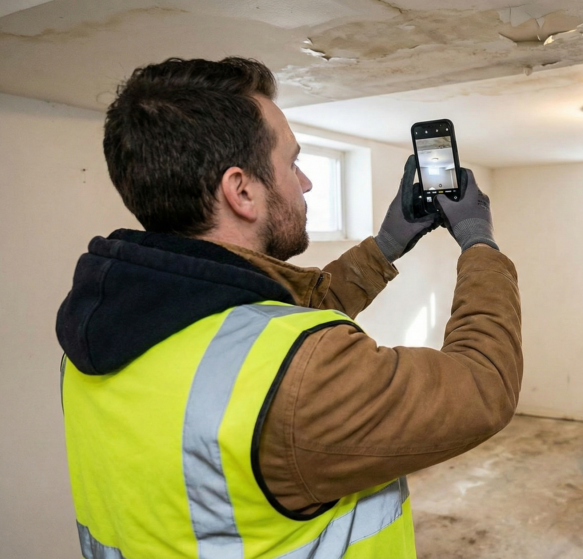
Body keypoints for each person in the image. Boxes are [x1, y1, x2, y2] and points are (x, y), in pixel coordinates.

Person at [55, 57, 522, 559]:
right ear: (241, 191)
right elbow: (482, 384)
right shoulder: (299, 376)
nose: (306, 183)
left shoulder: (104, 335)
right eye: (293, 163)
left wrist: (386, 245)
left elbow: (263, 325)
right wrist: (479, 244)